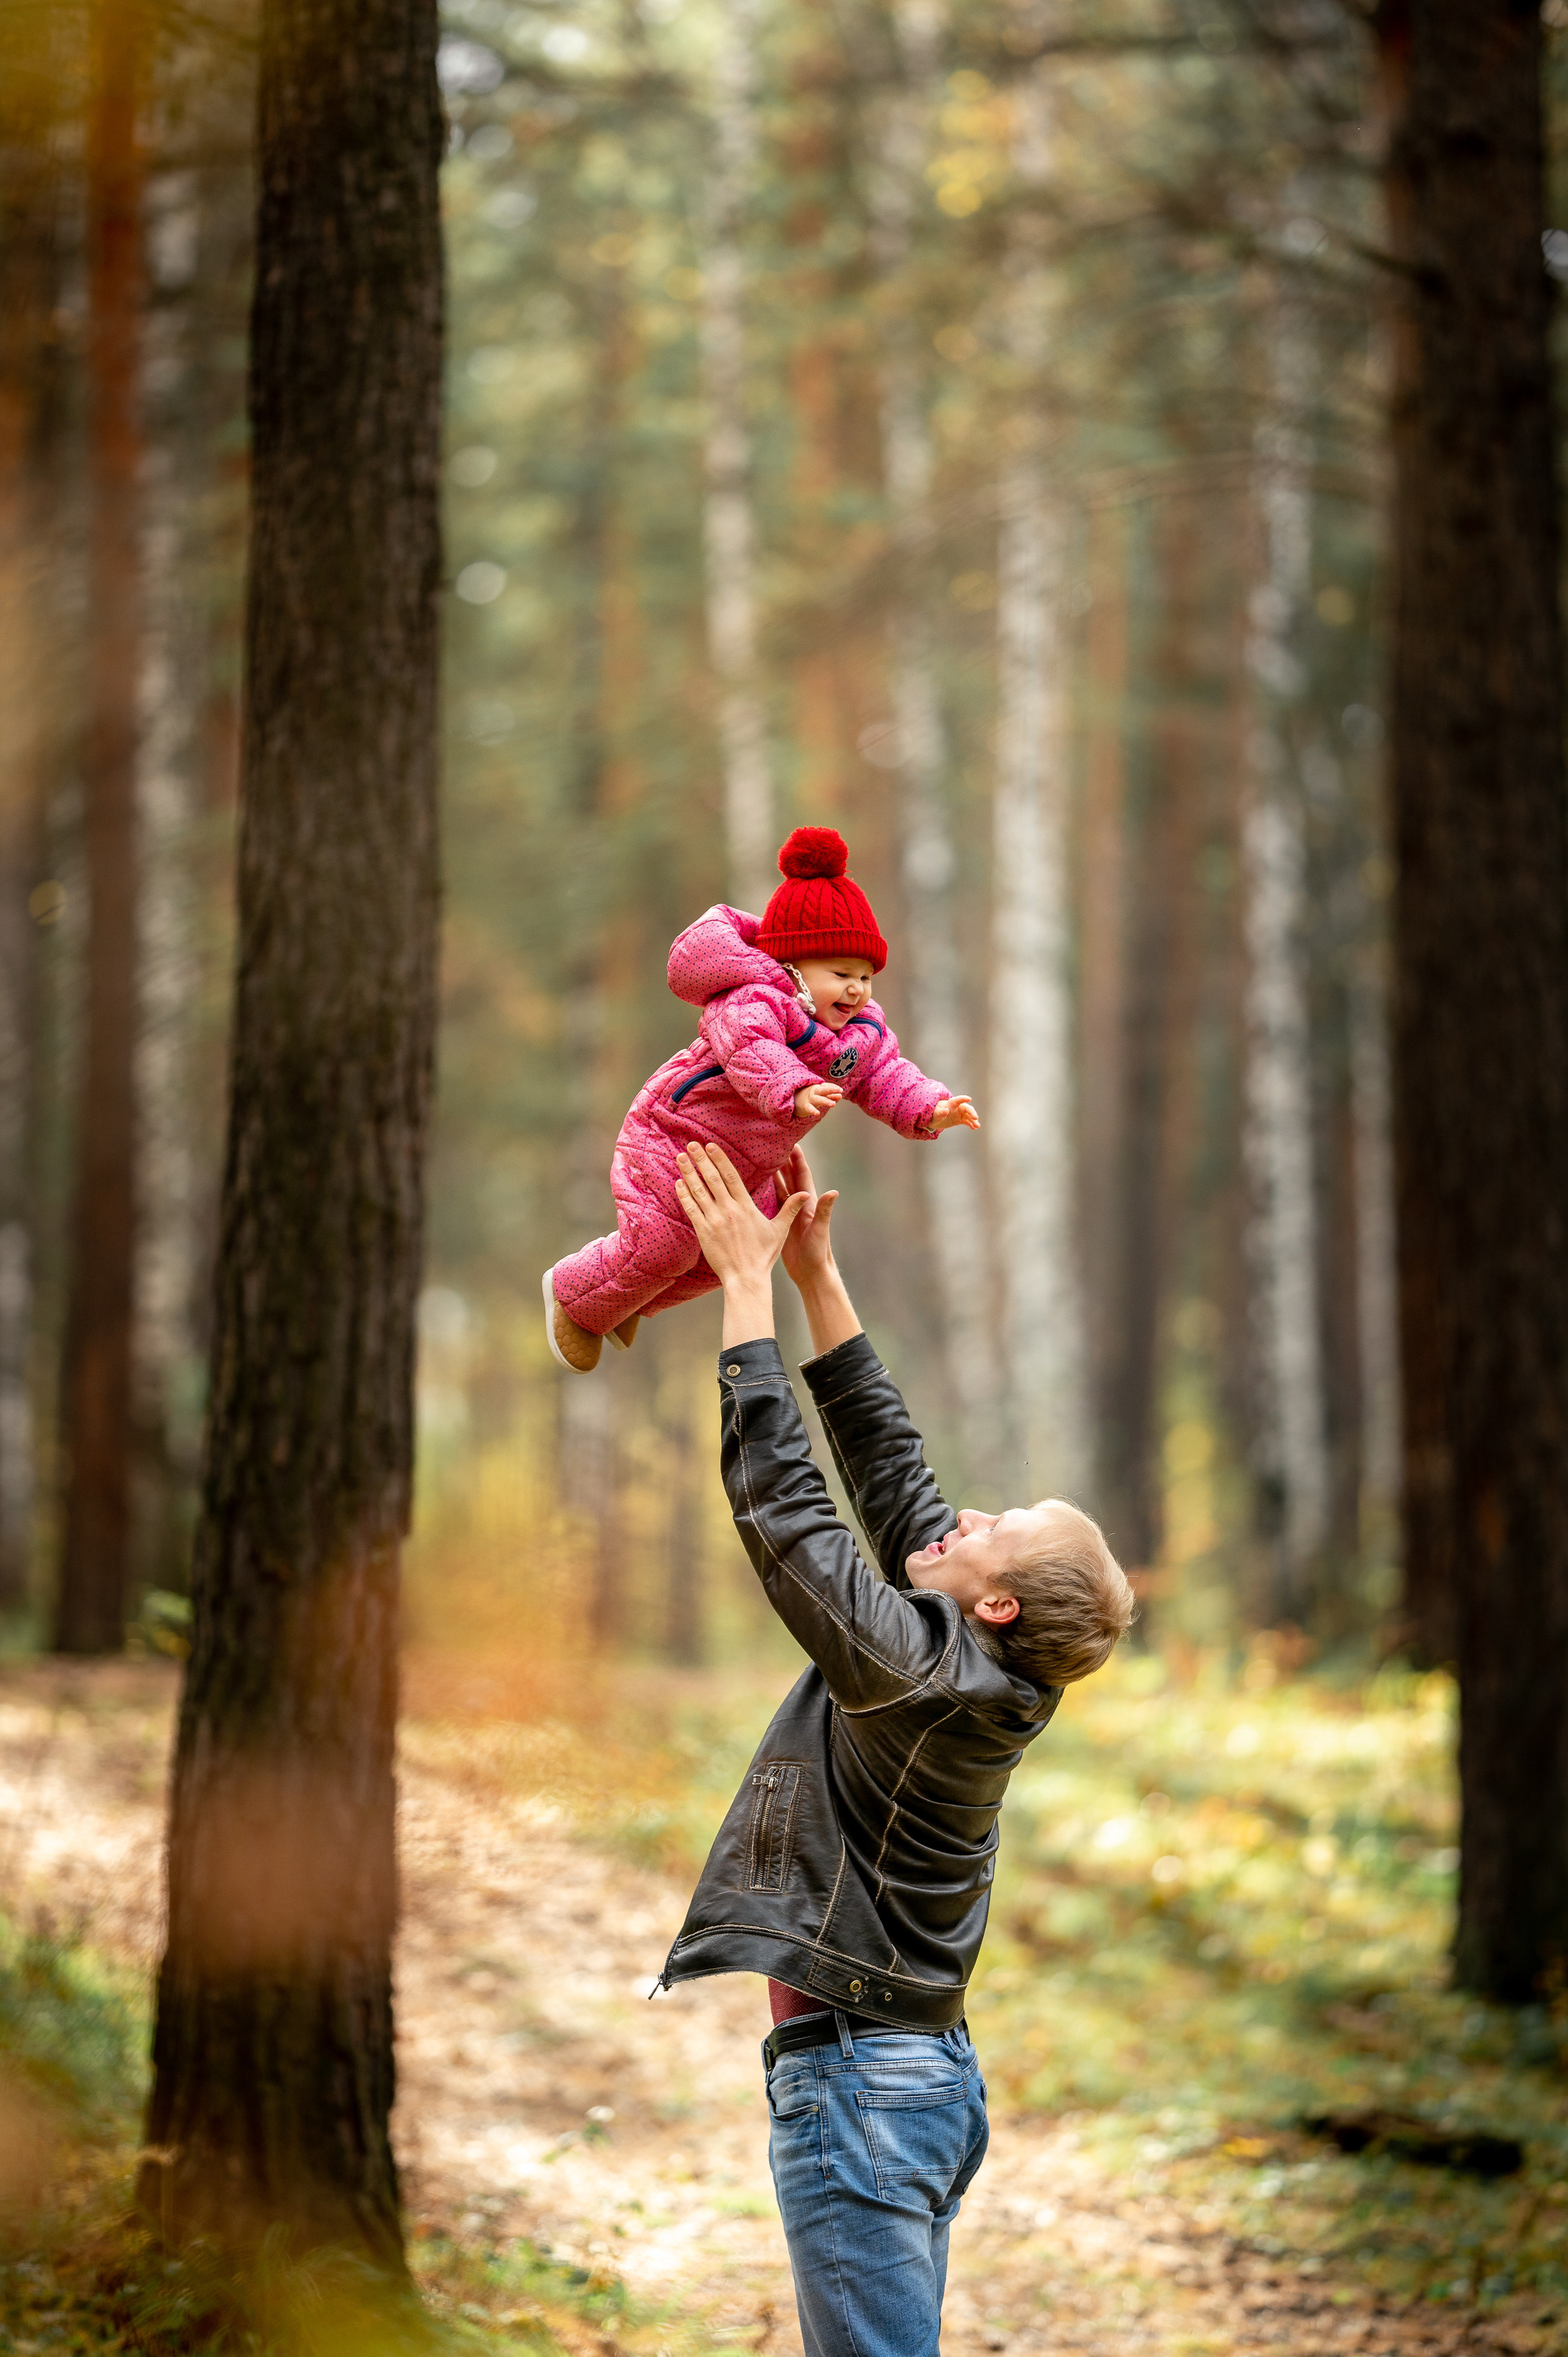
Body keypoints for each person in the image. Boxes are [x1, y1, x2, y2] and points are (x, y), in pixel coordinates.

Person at [657, 1138, 1135, 2357]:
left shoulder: (920, 1671)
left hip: (865, 2089)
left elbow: (790, 1518)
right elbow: (892, 1477)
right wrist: (819, 1276)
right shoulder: (980, 1666)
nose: (966, 1515)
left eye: (998, 1526)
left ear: (998, 1604)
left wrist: (743, 1288)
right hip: (916, 2077)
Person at [541, 826, 980, 1371]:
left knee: (743, 1255)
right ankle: (575, 1297)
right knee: (667, 1245)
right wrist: (792, 1089)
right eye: (841, 973)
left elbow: (885, 1074)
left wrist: (930, 1108)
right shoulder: (753, 1000)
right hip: (675, 1136)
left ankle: (627, 1294)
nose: (856, 991)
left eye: (866, 977)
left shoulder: (858, 1035)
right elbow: (749, 1051)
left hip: (748, 1166)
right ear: (794, 968)